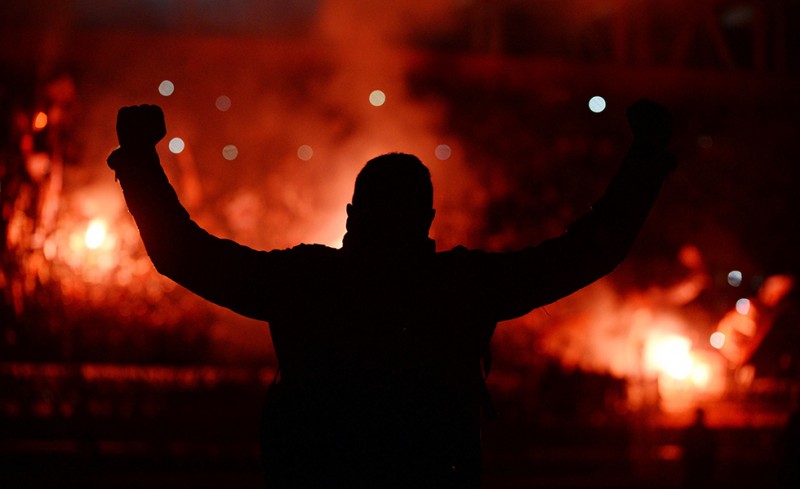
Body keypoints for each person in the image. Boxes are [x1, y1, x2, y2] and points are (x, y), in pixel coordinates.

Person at [107, 99, 676, 488]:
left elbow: (183, 254)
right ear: (428, 219)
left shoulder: (307, 282)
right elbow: (587, 252)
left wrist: (138, 158)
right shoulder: (462, 287)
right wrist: (646, 158)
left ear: (353, 215)